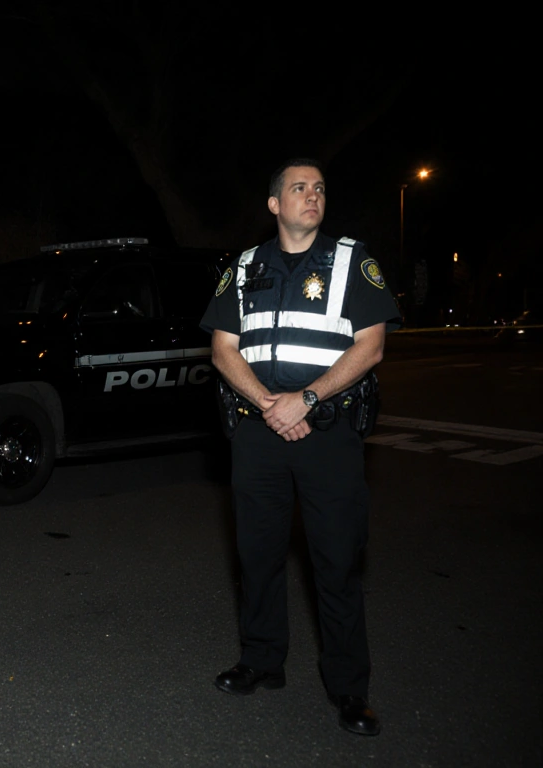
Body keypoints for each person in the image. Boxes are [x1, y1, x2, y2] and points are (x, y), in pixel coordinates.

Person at [199, 159, 401, 736]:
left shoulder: (351, 260)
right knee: (257, 555)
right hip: (259, 432)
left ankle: (349, 690)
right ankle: (262, 661)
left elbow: (371, 347)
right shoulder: (242, 267)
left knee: (336, 562)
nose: (311, 196)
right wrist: (272, 405)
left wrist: (305, 399)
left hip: (328, 434)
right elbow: (222, 350)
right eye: (298, 188)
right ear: (274, 204)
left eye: (318, 189)